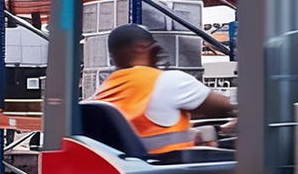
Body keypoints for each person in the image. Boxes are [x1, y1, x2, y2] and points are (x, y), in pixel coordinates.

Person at [91, 23, 235, 153]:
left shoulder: (102, 92)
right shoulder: (169, 82)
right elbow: (232, 107)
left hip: (127, 171)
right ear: (152, 49)